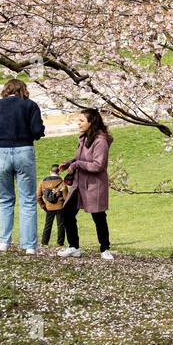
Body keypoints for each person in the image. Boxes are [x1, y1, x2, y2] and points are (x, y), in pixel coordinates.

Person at [0, 78, 45, 255]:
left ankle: (3, 242)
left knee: (5, 199)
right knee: (28, 200)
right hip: (24, 150)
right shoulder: (30, 105)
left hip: (0, 152)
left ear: (5, 90)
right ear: (23, 90)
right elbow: (37, 131)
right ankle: (29, 246)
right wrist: (38, 132)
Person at [57, 108, 114, 260]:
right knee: (67, 212)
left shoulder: (100, 141)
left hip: (94, 185)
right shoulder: (83, 138)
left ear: (91, 123)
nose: (78, 123)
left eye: (81, 120)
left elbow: (98, 166)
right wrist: (69, 163)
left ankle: (105, 248)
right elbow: (79, 158)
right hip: (79, 184)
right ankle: (74, 247)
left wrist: (76, 165)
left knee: (98, 216)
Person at [37, 164, 68, 249]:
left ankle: (44, 242)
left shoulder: (42, 181)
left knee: (47, 225)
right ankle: (60, 243)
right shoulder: (62, 182)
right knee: (61, 225)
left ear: (50, 171)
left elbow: (38, 196)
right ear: (59, 172)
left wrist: (44, 206)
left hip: (49, 207)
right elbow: (66, 197)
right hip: (60, 207)